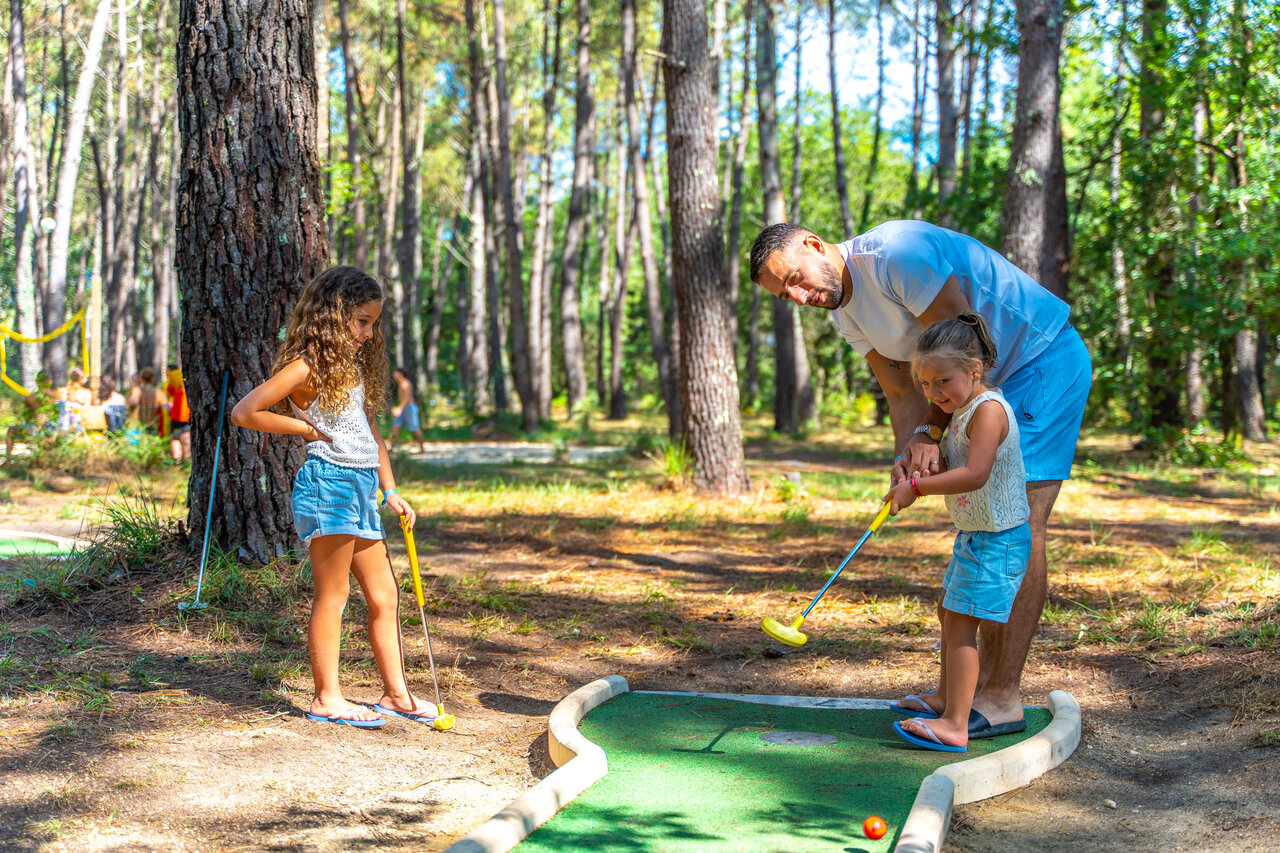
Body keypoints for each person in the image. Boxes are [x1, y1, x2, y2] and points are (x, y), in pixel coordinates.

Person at [749, 220, 1092, 737]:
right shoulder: (845, 313)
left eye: (795, 278)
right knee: (981, 528)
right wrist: (907, 460)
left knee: (1016, 522)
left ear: (815, 245)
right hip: (980, 384)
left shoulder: (897, 257)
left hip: (1039, 362)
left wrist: (931, 434)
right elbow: (903, 392)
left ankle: (1001, 695)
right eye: (785, 294)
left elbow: (966, 346)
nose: (799, 297)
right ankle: (959, 694)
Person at [230, 266, 439, 727]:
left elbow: (373, 435)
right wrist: (304, 427)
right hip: (329, 484)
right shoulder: (307, 366)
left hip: (363, 488)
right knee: (335, 594)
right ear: (334, 314)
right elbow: (245, 411)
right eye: (361, 321)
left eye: (373, 324)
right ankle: (327, 697)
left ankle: (396, 695)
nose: (369, 332)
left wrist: (391, 490)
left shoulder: (353, 369)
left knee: (385, 597)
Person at [884, 315, 1030, 751]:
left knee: (964, 624)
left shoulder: (987, 411)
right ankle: (945, 697)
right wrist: (912, 469)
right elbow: (952, 466)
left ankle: (955, 724)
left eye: (942, 381)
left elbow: (976, 474)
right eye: (925, 384)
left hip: (999, 539)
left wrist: (916, 488)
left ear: (974, 370)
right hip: (975, 534)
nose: (933, 394)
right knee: (949, 614)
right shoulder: (959, 408)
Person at [5, 371, 58, 459]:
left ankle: (8, 459)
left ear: (37, 381)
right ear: (50, 382)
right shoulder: (56, 396)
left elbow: (25, 416)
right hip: (52, 429)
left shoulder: (30, 398)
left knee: (11, 430)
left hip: (34, 429)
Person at [389, 367, 426, 453]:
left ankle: (422, 448)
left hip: (409, 408)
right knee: (395, 427)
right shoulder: (400, 384)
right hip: (403, 408)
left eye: (396, 373)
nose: (394, 375)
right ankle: (392, 448)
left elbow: (407, 398)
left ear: (401, 374)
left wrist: (399, 408)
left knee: (415, 428)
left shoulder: (405, 384)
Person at [127, 368, 168, 434]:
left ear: (141, 378)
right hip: (154, 426)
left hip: (138, 426)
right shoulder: (159, 392)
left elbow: (132, 403)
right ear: (152, 379)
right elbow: (165, 407)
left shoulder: (136, 390)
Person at [165, 365, 192, 462]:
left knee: (175, 437)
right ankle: (187, 459)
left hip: (176, 413)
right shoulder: (189, 373)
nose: (166, 372)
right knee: (187, 436)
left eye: (166, 370)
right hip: (188, 413)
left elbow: (170, 393)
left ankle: (177, 459)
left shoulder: (172, 376)